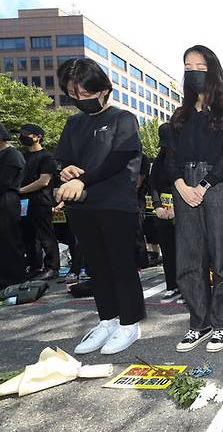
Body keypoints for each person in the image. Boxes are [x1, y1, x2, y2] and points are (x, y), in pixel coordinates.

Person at [54, 57, 145, 355]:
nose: (81, 100)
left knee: (121, 265)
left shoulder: (123, 119)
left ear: (103, 89)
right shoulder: (73, 123)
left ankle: (130, 323)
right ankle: (108, 320)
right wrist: (65, 171)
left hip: (116, 204)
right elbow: (63, 157)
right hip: (82, 207)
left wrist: (84, 180)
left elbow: (119, 160)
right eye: (74, 95)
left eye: (85, 93)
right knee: (97, 267)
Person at [167, 45, 223, 353]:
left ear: (212, 69)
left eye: (199, 65)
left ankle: (222, 322)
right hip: (184, 185)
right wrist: (181, 184)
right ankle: (199, 322)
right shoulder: (179, 116)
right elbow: (168, 155)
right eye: (187, 66)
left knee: (222, 257)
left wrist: (206, 183)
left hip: (220, 185)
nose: (193, 71)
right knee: (188, 258)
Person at [18, 123, 60, 281]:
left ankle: (52, 267)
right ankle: (35, 266)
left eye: (26, 133)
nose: (22, 136)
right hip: (23, 203)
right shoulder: (21, 156)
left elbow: (44, 181)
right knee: (28, 235)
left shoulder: (47, 157)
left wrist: (20, 190)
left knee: (45, 234)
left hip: (40, 201)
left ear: (37, 137)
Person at [150, 123, 180, 303]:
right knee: (168, 252)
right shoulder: (159, 161)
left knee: (184, 253)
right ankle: (171, 286)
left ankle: (186, 289)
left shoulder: (182, 157)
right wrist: (157, 206)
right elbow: (153, 185)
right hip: (162, 213)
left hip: (182, 210)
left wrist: (178, 209)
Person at [0, 122, 27, 289]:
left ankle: (15, 278)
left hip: (7, 200)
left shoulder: (12, 155)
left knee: (9, 239)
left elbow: (4, 182)